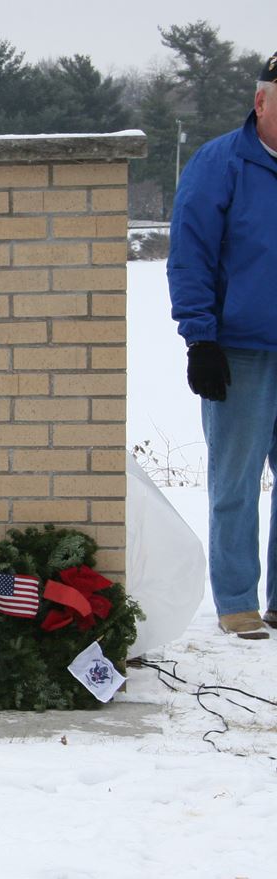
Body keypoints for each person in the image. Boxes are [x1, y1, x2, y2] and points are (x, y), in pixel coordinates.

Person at [169, 53, 277, 640]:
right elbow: (190, 255)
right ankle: (238, 601)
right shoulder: (220, 163)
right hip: (240, 350)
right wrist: (200, 338)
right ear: (261, 102)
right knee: (235, 481)